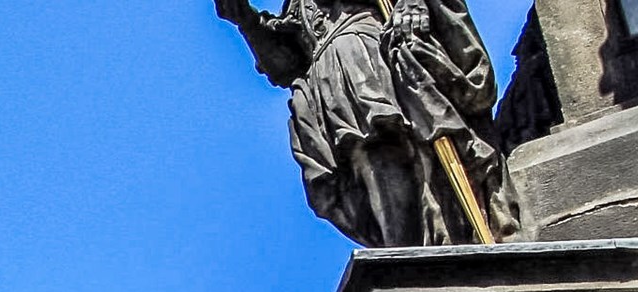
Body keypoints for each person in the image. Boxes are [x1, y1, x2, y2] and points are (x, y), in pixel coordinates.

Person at [213, 0, 521, 246]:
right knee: (366, 168)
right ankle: (404, 257)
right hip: (326, 82)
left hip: (366, 56)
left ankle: (415, 255)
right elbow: (288, 65)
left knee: (382, 148)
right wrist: (246, 20)